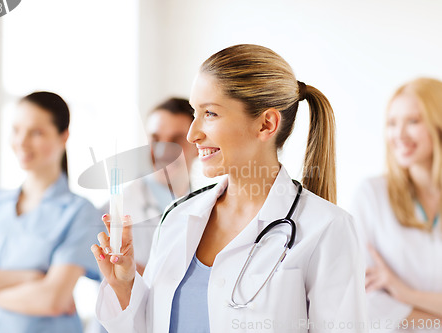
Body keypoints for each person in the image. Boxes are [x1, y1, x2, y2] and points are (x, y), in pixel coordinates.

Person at [91, 44, 367, 332]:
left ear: (266, 124)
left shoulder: (327, 229)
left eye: (210, 113)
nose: (192, 134)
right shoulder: (177, 217)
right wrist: (124, 286)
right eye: (195, 113)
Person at [0, 92, 101, 333]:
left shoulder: (80, 212)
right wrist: (28, 279)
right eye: (16, 130)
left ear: (63, 136)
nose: (22, 142)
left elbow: (51, 300)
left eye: (36, 132)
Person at [350, 78, 442, 332]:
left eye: (413, 121)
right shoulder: (371, 195)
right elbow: (363, 297)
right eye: (392, 123)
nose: (399, 135)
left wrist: (404, 293)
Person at [100, 97, 198, 275]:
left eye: (176, 140)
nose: (162, 151)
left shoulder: (208, 207)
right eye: (155, 139)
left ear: (198, 146)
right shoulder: (113, 210)